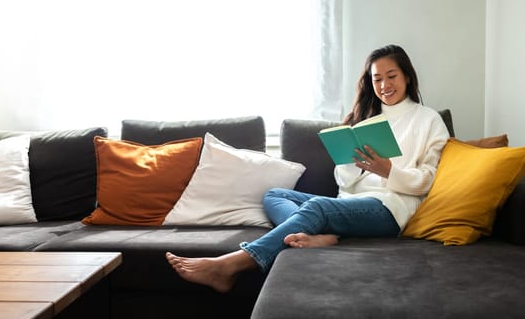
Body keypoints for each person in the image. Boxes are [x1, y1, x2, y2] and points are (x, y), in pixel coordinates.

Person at [165, 44, 450, 293]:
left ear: (407, 77)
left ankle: (232, 265)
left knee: (317, 208)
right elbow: (345, 180)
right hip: (351, 204)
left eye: (392, 77)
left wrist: (388, 171)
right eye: (377, 79)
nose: (385, 85)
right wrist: (354, 164)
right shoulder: (364, 120)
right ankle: (319, 236)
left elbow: (428, 180)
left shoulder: (428, 120)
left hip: (392, 209)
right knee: (274, 195)